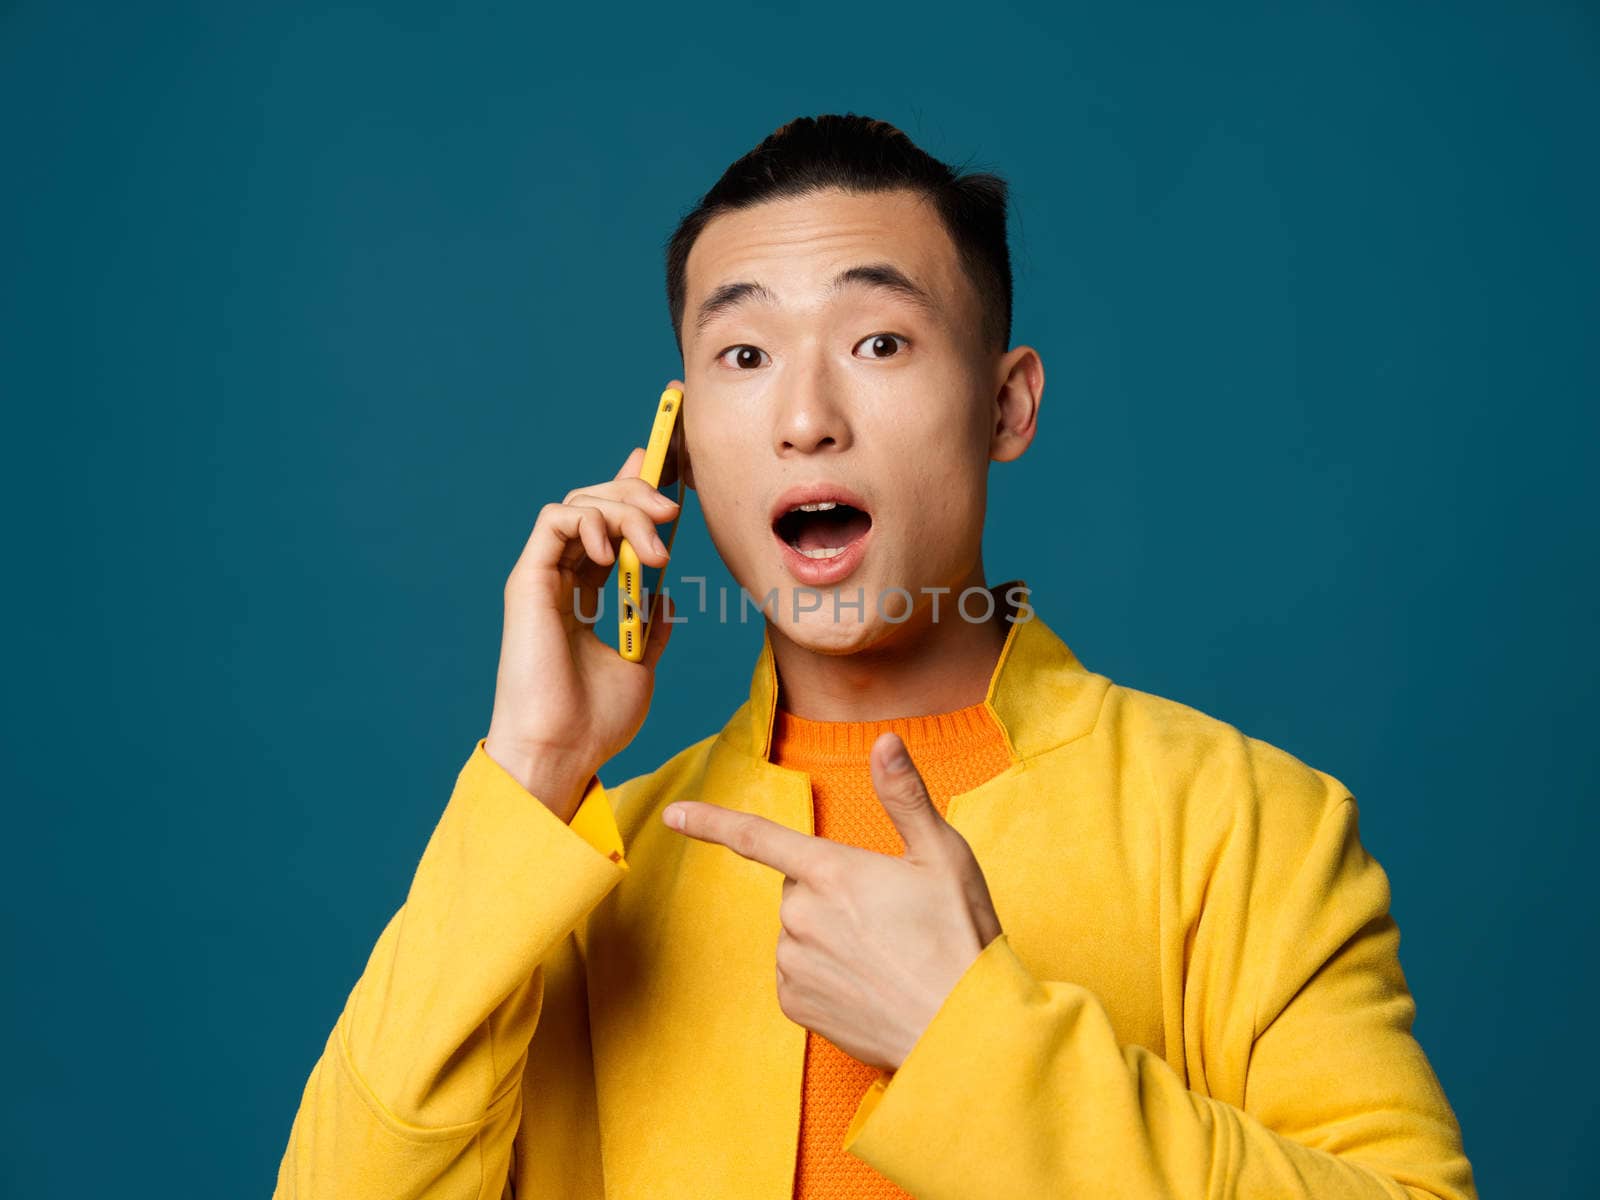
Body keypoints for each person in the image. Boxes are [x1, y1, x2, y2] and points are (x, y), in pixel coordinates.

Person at [273, 113, 1477, 1199]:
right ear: (679, 442)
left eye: (881, 343)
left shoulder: (1248, 828)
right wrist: (532, 769)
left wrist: (972, 1040)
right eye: (743, 357)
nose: (806, 416)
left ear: (1006, 407)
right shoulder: (583, 880)